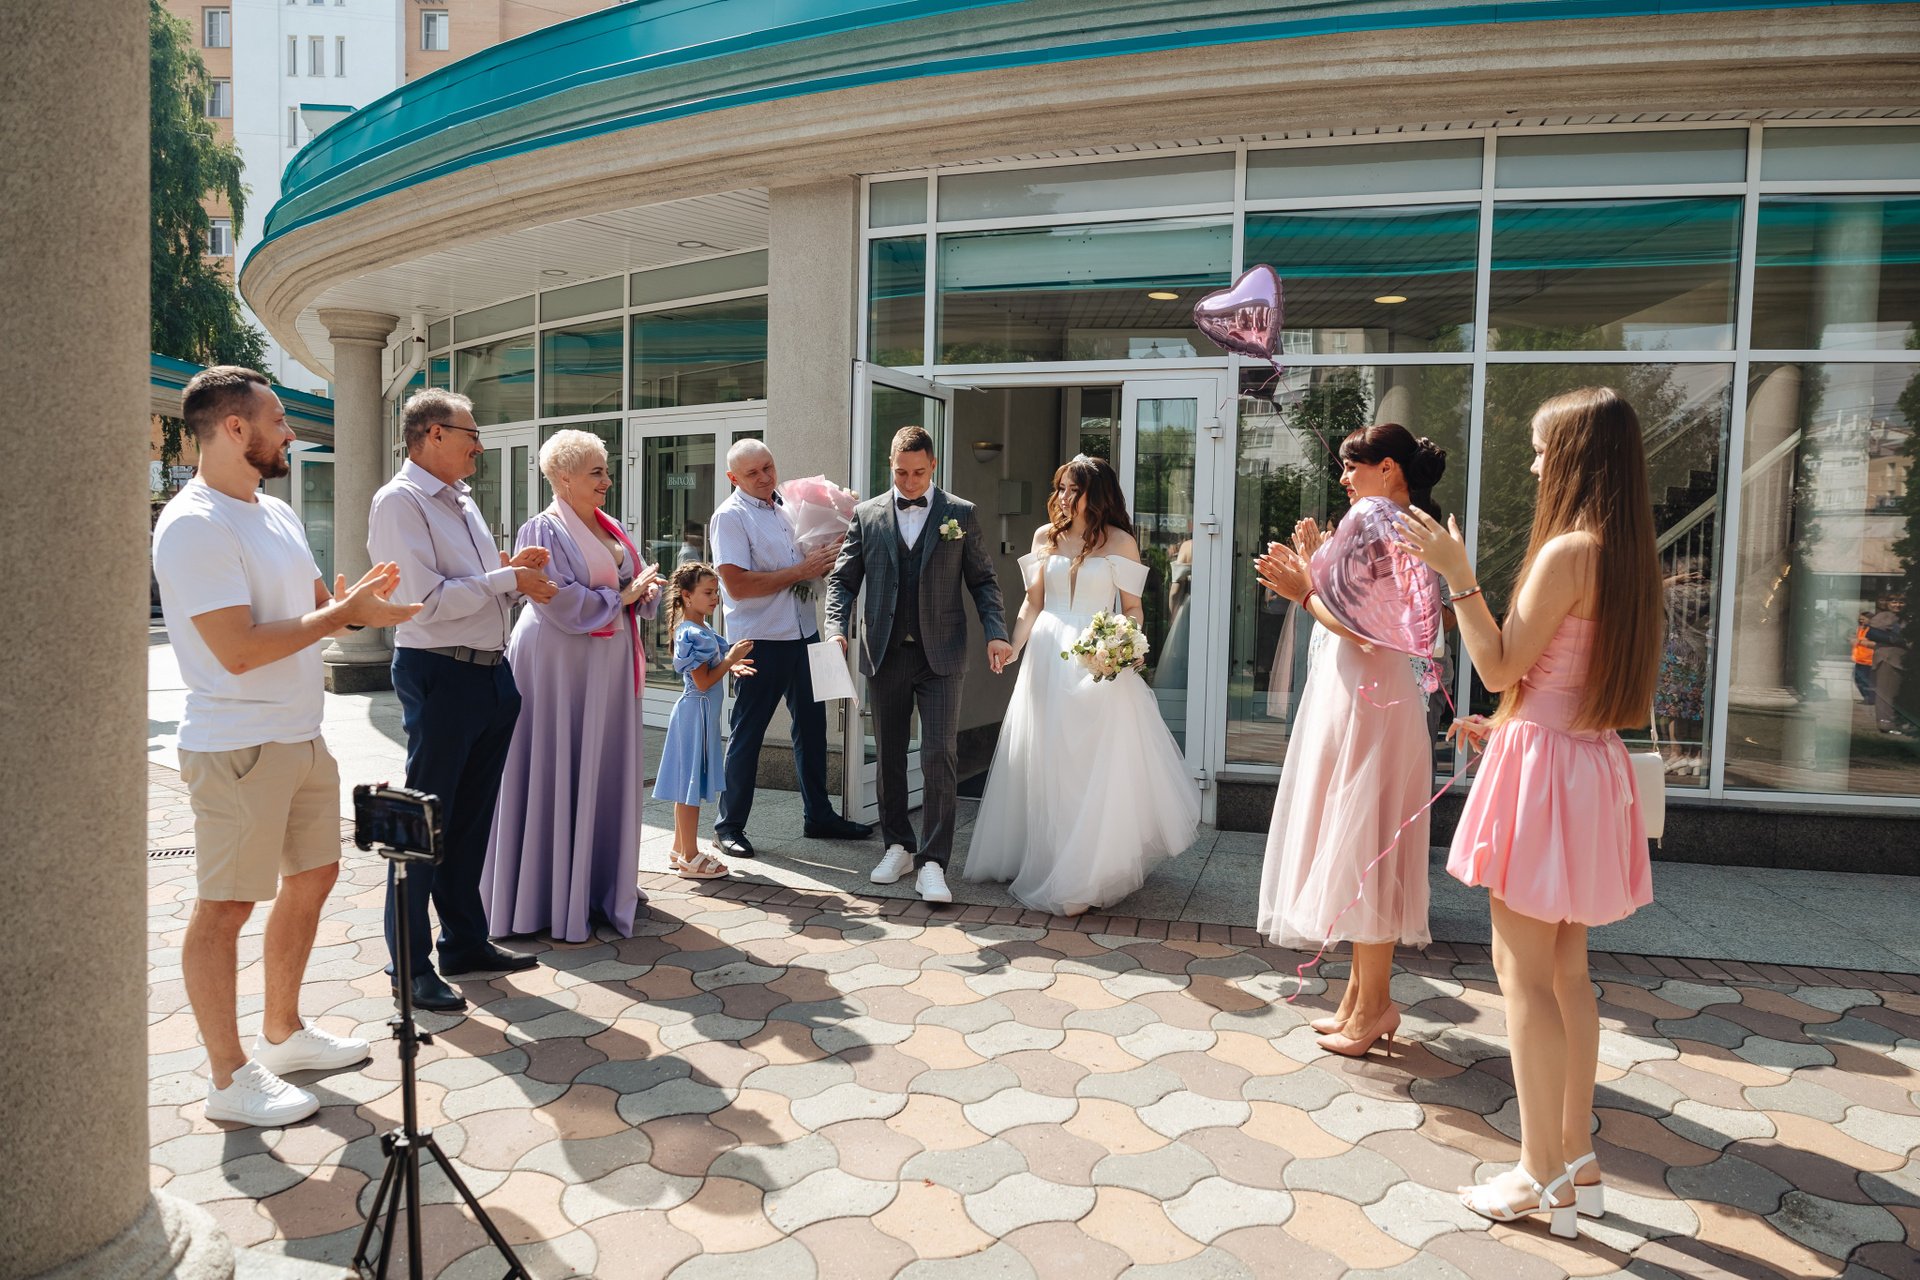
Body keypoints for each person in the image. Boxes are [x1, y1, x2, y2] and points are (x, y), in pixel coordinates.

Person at [1398, 386, 1662, 1239]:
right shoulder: (1629, 557)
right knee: (1568, 973)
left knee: (1523, 979)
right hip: (1588, 766)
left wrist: (1458, 577)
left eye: (1547, 448)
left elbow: (1500, 665)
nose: (1538, 462)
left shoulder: (1568, 552)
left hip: (1546, 774)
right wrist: (1509, 722)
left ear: (1578, 457)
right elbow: (1569, 683)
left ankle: (1537, 1173)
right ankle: (1575, 1156)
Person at [153, 366, 418, 1126]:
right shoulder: (193, 524)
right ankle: (228, 1078)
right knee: (226, 906)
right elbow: (238, 650)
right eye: (278, 420)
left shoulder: (274, 512)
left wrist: (360, 607)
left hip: (300, 735)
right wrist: (339, 616)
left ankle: (283, 1034)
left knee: (315, 875)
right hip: (237, 744)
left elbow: (317, 607)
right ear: (234, 427)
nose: (291, 432)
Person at [1251, 423, 1448, 1056]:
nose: (1342, 478)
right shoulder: (1403, 521)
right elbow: (1373, 607)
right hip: (1376, 692)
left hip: (1367, 695)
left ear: (1388, 468)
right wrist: (1317, 563)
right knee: (1363, 846)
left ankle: (1373, 1008)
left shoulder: (1373, 517)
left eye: (1351, 465)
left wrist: (1302, 589)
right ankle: (1360, 1000)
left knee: (1364, 852)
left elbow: (1362, 629)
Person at [368, 389, 556, 1014]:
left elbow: (472, 588)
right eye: (471, 433)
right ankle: (408, 965)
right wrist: (506, 579)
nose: (480, 445)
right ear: (433, 434)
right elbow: (424, 602)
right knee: (423, 821)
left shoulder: (462, 500)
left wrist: (512, 575)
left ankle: (464, 942)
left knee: (470, 821)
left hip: (489, 675)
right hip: (441, 673)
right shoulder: (400, 501)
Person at [963, 454, 1198, 914]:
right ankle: (1045, 857)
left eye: (1074, 489)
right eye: (1061, 488)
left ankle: (1084, 873)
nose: (1064, 496)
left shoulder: (1120, 542)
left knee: (1086, 762)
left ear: (1097, 493)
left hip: (1097, 658)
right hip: (1047, 656)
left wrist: (1122, 643)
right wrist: (1012, 646)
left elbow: (1133, 608)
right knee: (1045, 755)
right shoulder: (1044, 537)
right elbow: (1033, 604)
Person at [483, 430, 662, 942]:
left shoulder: (608, 524)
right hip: (559, 660)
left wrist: (644, 590)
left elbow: (627, 585)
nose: (607, 481)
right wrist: (623, 597)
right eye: (596, 473)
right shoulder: (541, 529)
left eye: (606, 471)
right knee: (555, 760)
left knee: (601, 762)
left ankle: (597, 884)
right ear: (564, 479)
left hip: (607, 659)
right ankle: (546, 895)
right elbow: (554, 598)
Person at [827, 426, 1012, 903]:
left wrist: (996, 632)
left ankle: (933, 862)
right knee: (888, 755)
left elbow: (984, 581)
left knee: (938, 756)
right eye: (901, 472)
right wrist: (835, 629)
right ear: (890, 465)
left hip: (942, 655)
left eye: (919, 473)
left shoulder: (960, 514)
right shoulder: (867, 515)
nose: (910, 482)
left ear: (933, 466)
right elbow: (842, 581)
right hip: (885, 653)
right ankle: (898, 846)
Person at [709, 439, 871, 859]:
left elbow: (811, 562)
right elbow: (737, 586)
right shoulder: (729, 516)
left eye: (768, 467)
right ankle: (729, 826)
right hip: (759, 640)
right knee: (748, 734)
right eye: (752, 473)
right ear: (733, 478)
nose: (765, 477)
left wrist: (834, 542)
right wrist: (802, 570)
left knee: (813, 730)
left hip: (803, 633)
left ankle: (819, 816)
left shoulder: (787, 507)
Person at [655, 562, 757, 878]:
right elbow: (702, 682)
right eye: (708, 592)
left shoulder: (701, 629)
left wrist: (730, 664)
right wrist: (730, 660)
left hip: (697, 715)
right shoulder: (692, 633)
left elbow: (711, 666)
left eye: (716, 592)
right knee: (690, 788)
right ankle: (690, 857)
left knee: (686, 785)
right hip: (695, 714)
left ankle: (679, 849)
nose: (715, 598)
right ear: (687, 596)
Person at [1867, 599, 1908, 736]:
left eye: (1901, 602)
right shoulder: (1883, 617)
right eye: (1894, 602)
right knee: (1887, 692)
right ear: (1888, 603)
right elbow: (1872, 633)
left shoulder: (1907, 617)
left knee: (1896, 692)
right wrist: (1902, 641)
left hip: (1902, 659)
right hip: (1888, 658)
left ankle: (1896, 722)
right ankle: (1886, 723)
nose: (1898, 605)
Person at [1853, 613, 1877, 706]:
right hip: (1858, 658)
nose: (1861, 621)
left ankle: (1870, 698)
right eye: (1860, 619)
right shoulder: (1860, 628)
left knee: (1866, 680)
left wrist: (1859, 641)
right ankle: (1867, 697)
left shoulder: (1873, 630)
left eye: (1863, 619)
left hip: (1868, 660)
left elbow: (1875, 644)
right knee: (1858, 679)